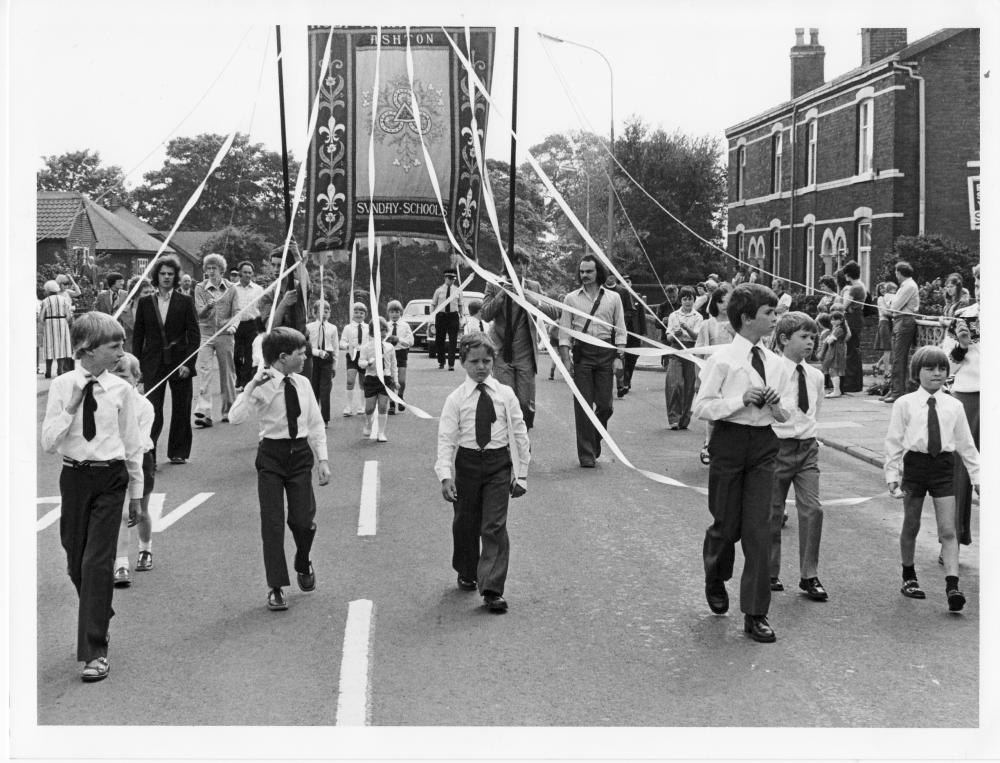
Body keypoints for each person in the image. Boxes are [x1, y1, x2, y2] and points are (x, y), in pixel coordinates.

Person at [40, 312, 145, 682]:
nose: (121, 352)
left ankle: (94, 651)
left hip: (110, 478)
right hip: (75, 477)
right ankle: (98, 608)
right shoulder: (62, 385)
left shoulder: (122, 390)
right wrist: (70, 407)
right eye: (114, 346)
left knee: (96, 564)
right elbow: (48, 443)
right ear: (87, 350)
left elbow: (133, 445)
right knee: (74, 562)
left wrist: (136, 492)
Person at [692, 283, 791, 643]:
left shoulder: (778, 363)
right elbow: (701, 407)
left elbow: (786, 414)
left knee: (760, 529)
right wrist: (739, 399)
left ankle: (755, 612)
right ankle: (715, 574)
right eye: (769, 313)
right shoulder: (722, 360)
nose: (774, 319)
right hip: (729, 443)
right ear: (747, 318)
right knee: (726, 524)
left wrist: (777, 405)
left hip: (764, 445)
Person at [228, 327, 330, 611]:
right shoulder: (262, 384)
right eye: (300, 353)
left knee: (303, 519)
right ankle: (276, 585)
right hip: (272, 455)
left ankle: (302, 559)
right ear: (283, 357)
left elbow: (315, 422)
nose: (305, 357)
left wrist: (322, 459)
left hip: (299, 456)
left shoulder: (303, 383)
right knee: (272, 523)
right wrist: (250, 387)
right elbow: (234, 418)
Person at [435, 332, 530, 613]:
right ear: (463, 361)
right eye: (474, 361)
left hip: (498, 465)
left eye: (486, 361)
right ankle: (467, 569)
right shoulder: (456, 399)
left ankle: (491, 587)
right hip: (467, 465)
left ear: (493, 361)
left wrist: (521, 473)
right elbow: (446, 439)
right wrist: (445, 475)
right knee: (465, 523)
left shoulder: (505, 394)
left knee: (494, 526)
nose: (481, 367)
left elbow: (520, 433)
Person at [885, 345, 980, 611]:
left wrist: (979, 477)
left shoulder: (954, 405)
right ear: (917, 372)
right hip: (915, 466)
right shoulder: (905, 404)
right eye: (929, 368)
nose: (936, 373)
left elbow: (966, 445)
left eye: (941, 368)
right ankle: (909, 576)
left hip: (943, 468)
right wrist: (892, 475)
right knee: (911, 524)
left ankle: (952, 586)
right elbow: (893, 441)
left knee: (949, 530)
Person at [768, 312, 828, 601]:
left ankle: (809, 575)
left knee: (813, 509)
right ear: (783, 339)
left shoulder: (815, 375)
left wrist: (812, 439)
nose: (810, 342)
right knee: (772, 511)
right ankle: (769, 571)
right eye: (804, 337)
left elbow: (816, 412)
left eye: (813, 337)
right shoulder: (772, 371)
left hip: (807, 450)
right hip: (777, 447)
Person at [557, 254, 627, 468]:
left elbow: (621, 329)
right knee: (583, 405)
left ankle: (595, 437)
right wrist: (566, 361)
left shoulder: (613, 298)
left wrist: (619, 357)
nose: (584, 275)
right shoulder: (571, 298)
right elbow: (564, 333)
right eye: (582, 271)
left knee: (605, 406)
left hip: (606, 353)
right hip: (583, 355)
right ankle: (586, 453)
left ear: (599, 272)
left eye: (589, 271)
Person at [131, 255, 200, 465]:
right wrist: (137, 366)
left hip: (179, 362)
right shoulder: (145, 302)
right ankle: (148, 453)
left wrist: (188, 364)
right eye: (163, 274)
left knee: (181, 407)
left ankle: (178, 452)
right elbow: (138, 337)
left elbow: (194, 335)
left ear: (176, 277)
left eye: (171, 274)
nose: (167, 277)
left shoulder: (186, 301)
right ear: (156, 276)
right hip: (153, 362)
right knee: (152, 408)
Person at [480, 263, 561, 429]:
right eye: (516, 263)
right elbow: (486, 314)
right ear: (507, 266)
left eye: (524, 263)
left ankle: (522, 437)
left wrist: (533, 301)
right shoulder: (493, 285)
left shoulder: (533, 286)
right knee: (505, 401)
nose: (520, 267)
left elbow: (554, 313)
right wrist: (501, 295)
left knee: (525, 403)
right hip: (502, 352)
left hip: (525, 354)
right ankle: (509, 445)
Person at [110, 353, 155, 587]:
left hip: (140, 460)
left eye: (125, 375)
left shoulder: (144, 407)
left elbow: (139, 443)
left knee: (141, 512)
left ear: (136, 377)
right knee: (122, 515)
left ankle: (145, 548)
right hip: (114, 461)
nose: (120, 380)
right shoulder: (109, 400)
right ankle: (121, 564)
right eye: (115, 374)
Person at [946, 264, 980, 552]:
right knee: (960, 469)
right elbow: (948, 366)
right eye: (979, 281)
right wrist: (962, 345)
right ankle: (953, 538)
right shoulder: (962, 317)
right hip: (968, 396)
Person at [193, 253, 239, 427]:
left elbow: (237, 312)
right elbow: (199, 313)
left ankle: (229, 410)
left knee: (227, 372)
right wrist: (208, 306)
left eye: (214, 268)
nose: (211, 272)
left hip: (225, 334)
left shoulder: (231, 288)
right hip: (205, 334)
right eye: (208, 268)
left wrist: (233, 326)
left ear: (222, 270)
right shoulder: (200, 288)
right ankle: (204, 413)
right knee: (204, 371)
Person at [694, 283, 734, 464]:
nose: (724, 305)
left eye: (728, 301)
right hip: (712, 372)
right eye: (720, 302)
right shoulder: (707, 324)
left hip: (733, 372)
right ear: (714, 303)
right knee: (713, 410)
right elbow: (699, 352)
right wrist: (698, 377)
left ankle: (726, 446)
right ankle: (709, 443)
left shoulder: (737, 324)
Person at [664, 286, 703, 430]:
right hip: (676, 350)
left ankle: (684, 419)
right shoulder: (674, 315)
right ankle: (673, 417)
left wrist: (687, 329)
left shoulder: (698, 317)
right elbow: (668, 337)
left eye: (690, 298)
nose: (687, 302)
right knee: (674, 383)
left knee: (688, 387)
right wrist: (675, 333)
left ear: (694, 299)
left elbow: (698, 337)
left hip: (691, 351)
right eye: (684, 299)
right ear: (680, 300)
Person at [357, 317, 399, 442]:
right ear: (371, 332)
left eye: (383, 330)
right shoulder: (366, 347)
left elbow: (393, 365)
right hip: (371, 378)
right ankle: (368, 424)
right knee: (369, 408)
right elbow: (360, 362)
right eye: (378, 330)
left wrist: (395, 381)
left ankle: (381, 433)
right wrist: (367, 363)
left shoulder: (389, 347)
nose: (381, 333)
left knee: (382, 405)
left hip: (385, 379)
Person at [884, 260, 919, 403]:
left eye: (896, 273)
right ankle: (894, 389)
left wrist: (888, 302)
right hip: (899, 321)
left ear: (899, 273)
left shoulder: (909, 286)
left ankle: (898, 392)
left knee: (899, 358)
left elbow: (894, 306)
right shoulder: (904, 286)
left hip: (904, 321)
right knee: (895, 358)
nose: (895, 276)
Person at [231, 260, 265, 389]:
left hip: (252, 325)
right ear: (240, 273)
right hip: (237, 325)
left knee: (250, 355)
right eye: (245, 272)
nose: (247, 275)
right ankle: (239, 378)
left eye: (250, 273)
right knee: (237, 355)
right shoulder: (233, 289)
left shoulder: (258, 289)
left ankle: (246, 381)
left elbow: (262, 308)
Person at [613, 273, 648, 397]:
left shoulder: (637, 296)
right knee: (622, 357)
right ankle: (623, 384)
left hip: (635, 333)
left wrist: (643, 334)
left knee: (632, 358)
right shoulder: (616, 296)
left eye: (628, 281)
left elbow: (641, 317)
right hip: (622, 332)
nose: (626, 284)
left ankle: (627, 380)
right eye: (623, 282)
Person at [305, 299, 339, 426]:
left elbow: (335, 348)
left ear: (329, 312)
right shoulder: (308, 327)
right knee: (313, 388)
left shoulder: (333, 328)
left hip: (327, 359)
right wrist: (317, 352)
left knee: (325, 389)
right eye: (320, 311)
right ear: (314, 313)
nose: (324, 314)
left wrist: (334, 366)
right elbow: (307, 346)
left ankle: (325, 418)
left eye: (326, 311)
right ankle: (313, 417)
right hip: (314, 358)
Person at [838, 261, 867, 393]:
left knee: (850, 351)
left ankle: (850, 384)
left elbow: (844, 305)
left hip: (852, 319)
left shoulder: (854, 288)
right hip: (857, 318)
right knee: (854, 350)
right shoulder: (862, 285)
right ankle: (856, 383)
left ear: (848, 275)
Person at [339, 302, 370, 416]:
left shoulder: (367, 327)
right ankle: (348, 407)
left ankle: (362, 406)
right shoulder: (348, 328)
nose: (358, 315)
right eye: (356, 312)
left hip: (363, 356)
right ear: (352, 314)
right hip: (352, 356)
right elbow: (342, 342)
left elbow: (371, 341)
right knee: (350, 380)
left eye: (361, 313)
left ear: (365, 315)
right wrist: (348, 346)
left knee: (363, 381)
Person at [385, 300, 414, 415]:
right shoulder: (385, 326)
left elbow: (411, 342)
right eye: (392, 312)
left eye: (397, 311)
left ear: (401, 312)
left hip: (401, 353)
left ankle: (400, 397)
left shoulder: (405, 326)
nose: (394, 314)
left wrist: (399, 340)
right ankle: (392, 404)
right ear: (388, 313)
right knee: (391, 379)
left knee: (401, 380)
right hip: (389, 354)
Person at [431, 267, 463, 370]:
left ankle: (451, 364)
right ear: (445, 278)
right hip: (441, 316)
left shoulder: (458, 291)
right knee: (440, 340)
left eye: (453, 278)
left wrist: (461, 316)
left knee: (453, 340)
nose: (452, 280)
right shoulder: (439, 290)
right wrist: (432, 316)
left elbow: (460, 305)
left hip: (453, 316)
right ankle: (441, 361)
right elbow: (433, 304)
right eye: (449, 278)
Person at [39, 279, 74, 377]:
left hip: (50, 323)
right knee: (61, 346)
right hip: (62, 322)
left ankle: (48, 371)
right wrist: (63, 322)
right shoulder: (64, 299)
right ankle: (60, 370)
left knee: (49, 346)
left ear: (48, 290)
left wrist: (46, 323)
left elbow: (41, 318)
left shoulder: (45, 301)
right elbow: (68, 316)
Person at [819, 310, 848, 398]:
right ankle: (836, 390)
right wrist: (828, 338)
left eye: (835, 319)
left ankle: (836, 391)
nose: (832, 322)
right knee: (832, 369)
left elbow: (830, 340)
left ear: (841, 320)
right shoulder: (836, 329)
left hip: (836, 351)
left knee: (833, 369)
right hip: (834, 350)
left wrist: (828, 338)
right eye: (831, 320)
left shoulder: (839, 329)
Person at [873, 281, 897, 377]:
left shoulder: (889, 298)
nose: (883, 290)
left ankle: (877, 365)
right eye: (881, 288)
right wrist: (896, 314)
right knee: (887, 349)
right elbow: (884, 312)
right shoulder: (880, 299)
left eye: (884, 288)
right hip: (884, 323)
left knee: (889, 348)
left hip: (890, 323)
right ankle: (886, 372)